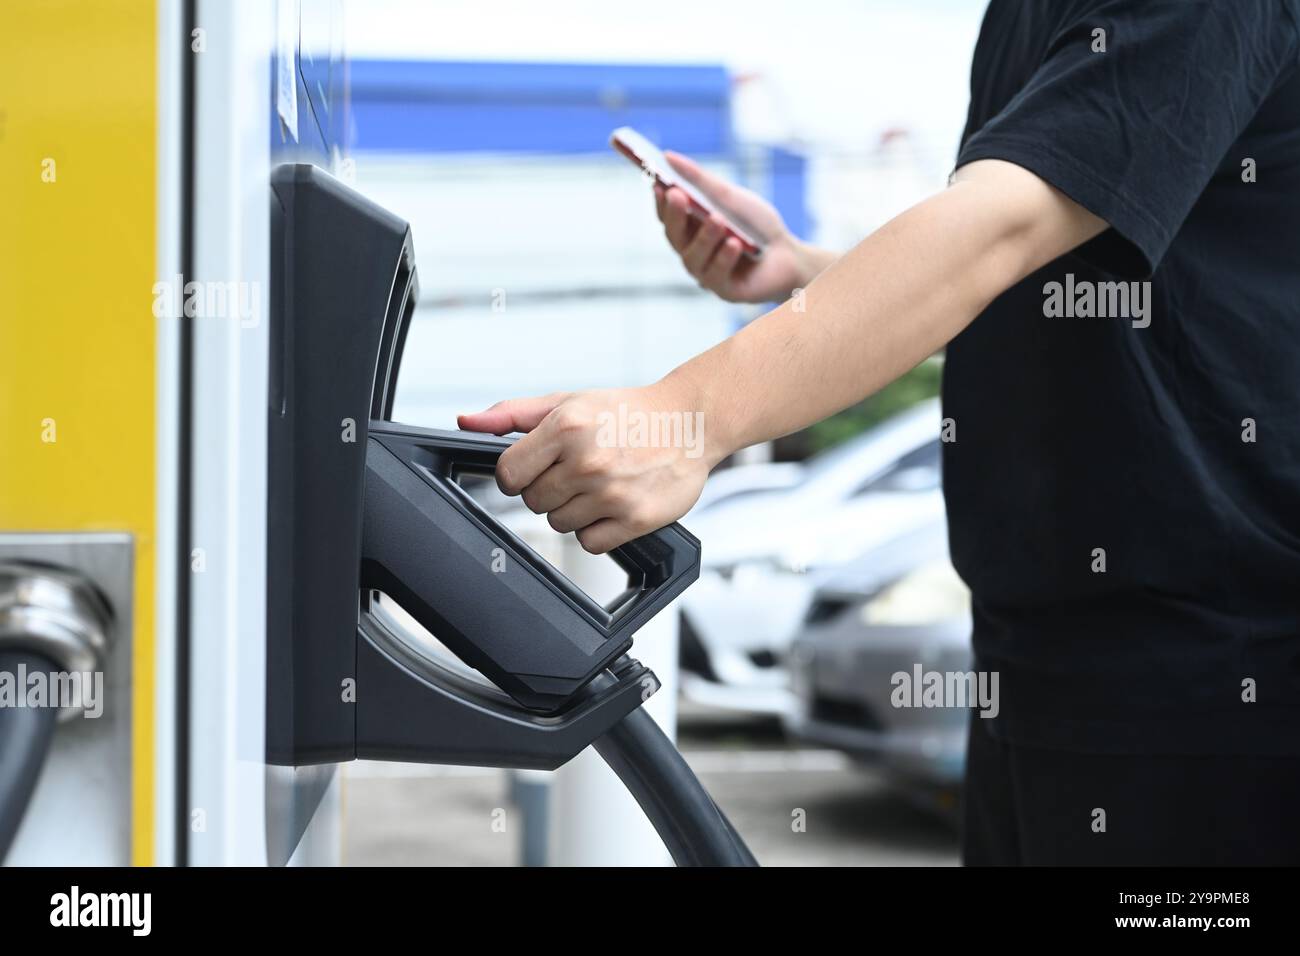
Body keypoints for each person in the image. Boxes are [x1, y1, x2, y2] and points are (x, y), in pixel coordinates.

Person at [459, 0, 1300, 864]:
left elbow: (999, 228)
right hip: (1040, 651)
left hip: (1205, 666)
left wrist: (692, 414)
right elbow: (1030, 267)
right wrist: (809, 271)